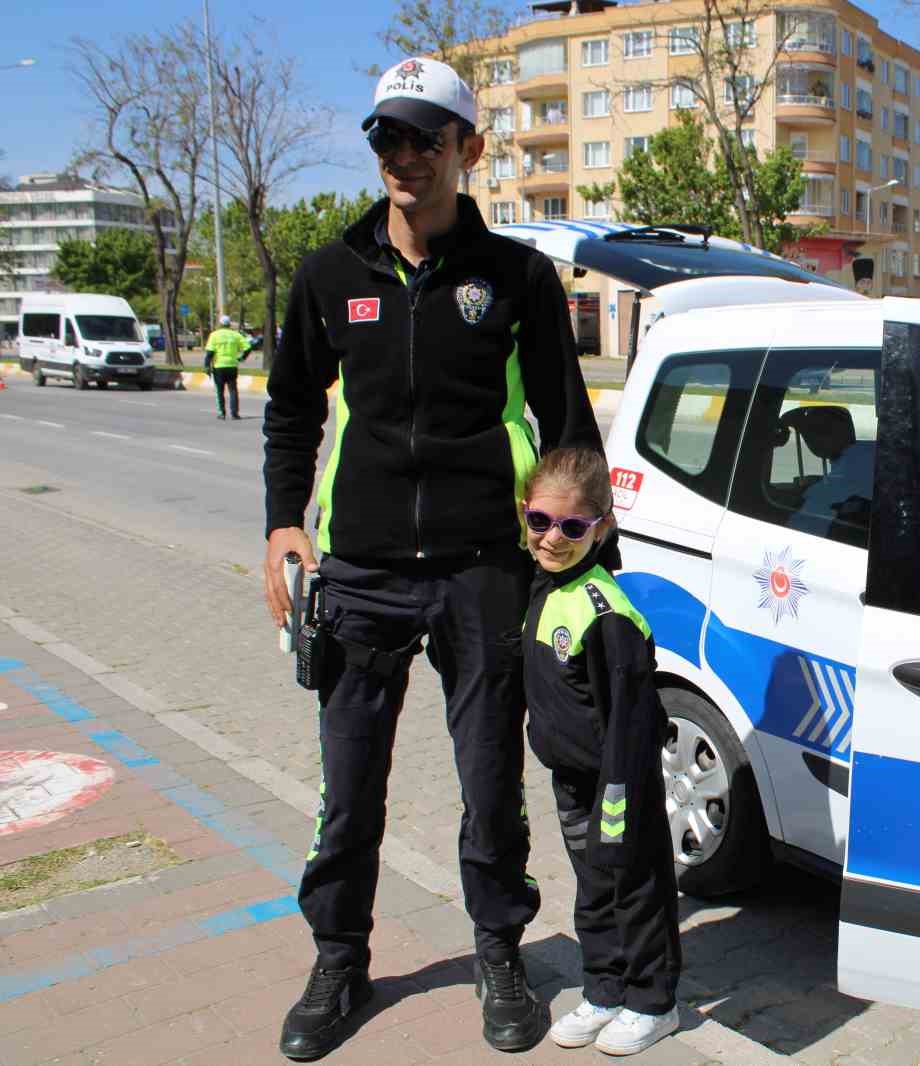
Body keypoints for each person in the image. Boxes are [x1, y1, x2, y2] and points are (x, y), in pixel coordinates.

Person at [261, 55, 604, 1060]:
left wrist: (577, 556)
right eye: (385, 137)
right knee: (348, 783)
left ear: (470, 149)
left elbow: (566, 423)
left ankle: (498, 949)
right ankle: (338, 958)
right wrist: (286, 523)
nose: (403, 156)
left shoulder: (516, 278)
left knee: (490, 778)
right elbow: (289, 408)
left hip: (480, 568)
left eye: (424, 137)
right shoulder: (330, 274)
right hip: (361, 569)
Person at [520, 448, 683, 1057]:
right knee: (592, 889)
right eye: (540, 521)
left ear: (601, 529)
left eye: (571, 527)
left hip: (620, 784)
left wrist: (619, 797)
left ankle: (652, 1001)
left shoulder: (605, 613)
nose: (552, 538)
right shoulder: (544, 586)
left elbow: (633, 725)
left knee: (635, 888)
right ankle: (605, 988)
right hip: (573, 780)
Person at [203, 314, 251, 420]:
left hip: (219, 366)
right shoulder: (235, 335)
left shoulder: (214, 335)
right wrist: (242, 358)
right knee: (233, 390)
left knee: (220, 391)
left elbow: (210, 352)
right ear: (229, 324)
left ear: (220, 324)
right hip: (232, 366)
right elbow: (248, 347)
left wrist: (206, 366)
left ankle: (222, 413)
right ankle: (234, 413)